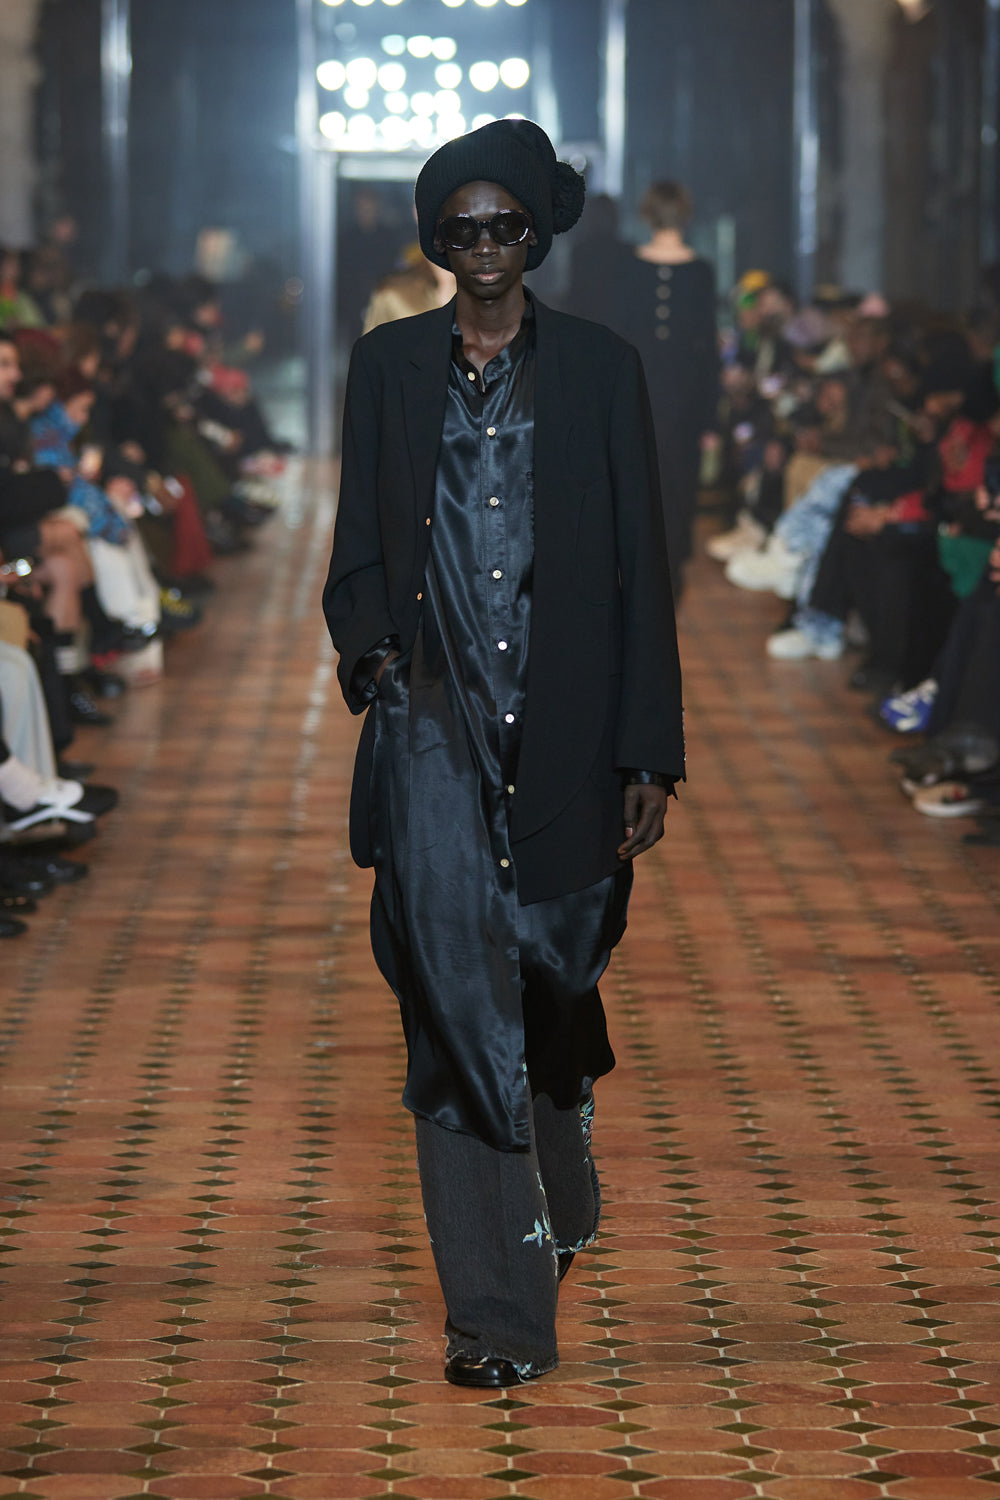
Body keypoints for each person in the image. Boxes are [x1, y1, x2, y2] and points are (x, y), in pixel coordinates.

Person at [323, 119, 685, 1389]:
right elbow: (357, 540)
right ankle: (495, 1316)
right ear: (437, 240)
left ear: (536, 235)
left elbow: (644, 567)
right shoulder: (386, 365)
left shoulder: (601, 368)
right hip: (430, 726)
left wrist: (648, 749)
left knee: (552, 979)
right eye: (462, 227)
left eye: (505, 225)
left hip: (569, 724)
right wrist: (375, 662)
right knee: (452, 1017)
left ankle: (561, 1123)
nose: (484, 246)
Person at [596, 181, 718, 591]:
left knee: (637, 480)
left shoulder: (627, 267)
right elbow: (708, 351)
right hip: (684, 398)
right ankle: (670, 573)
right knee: (678, 484)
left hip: (640, 390)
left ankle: (641, 570)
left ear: (647, 214)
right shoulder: (701, 271)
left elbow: (615, 339)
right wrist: (711, 417)